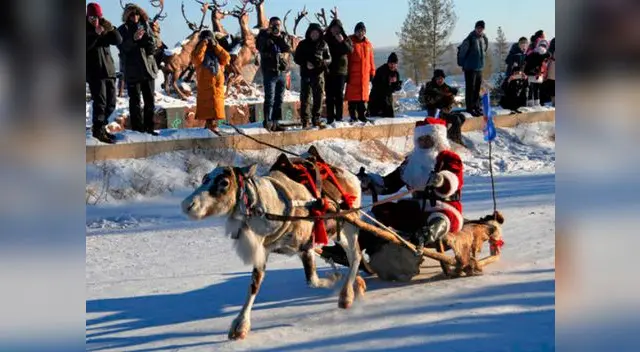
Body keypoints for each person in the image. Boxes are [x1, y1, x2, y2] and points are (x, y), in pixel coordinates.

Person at [118, 3, 159, 135]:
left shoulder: (146, 26)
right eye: (132, 14)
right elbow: (123, 48)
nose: (135, 16)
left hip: (148, 69)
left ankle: (149, 127)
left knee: (149, 100)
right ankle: (137, 129)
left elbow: (153, 48)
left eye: (137, 13)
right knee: (134, 100)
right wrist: (134, 39)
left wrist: (149, 41)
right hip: (132, 70)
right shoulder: (122, 30)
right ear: (127, 15)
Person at [86, 2, 122, 144]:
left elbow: (118, 40)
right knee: (100, 102)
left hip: (109, 71)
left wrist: (110, 28)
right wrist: (95, 34)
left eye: (97, 17)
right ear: (88, 16)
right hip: (95, 72)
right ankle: (98, 131)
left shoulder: (103, 26)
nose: (95, 19)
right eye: (92, 17)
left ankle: (100, 126)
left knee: (111, 104)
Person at [191, 30, 231, 133]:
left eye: (210, 39)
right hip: (205, 85)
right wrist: (203, 44)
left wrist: (216, 45)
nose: (209, 41)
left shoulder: (217, 52)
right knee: (207, 110)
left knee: (216, 109)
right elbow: (197, 59)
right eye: (206, 39)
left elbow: (226, 58)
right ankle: (209, 127)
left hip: (217, 87)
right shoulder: (197, 51)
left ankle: (213, 127)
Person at [294, 23, 332, 129]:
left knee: (318, 98)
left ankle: (316, 119)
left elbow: (329, 59)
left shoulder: (323, 44)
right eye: (313, 32)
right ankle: (305, 121)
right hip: (306, 74)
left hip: (318, 75)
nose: (315, 34)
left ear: (320, 33)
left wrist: (321, 62)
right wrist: (305, 63)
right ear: (309, 33)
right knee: (305, 98)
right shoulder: (302, 44)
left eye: (317, 32)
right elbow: (296, 58)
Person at [256, 17, 291, 131]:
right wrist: (267, 35)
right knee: (269, 98)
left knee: (279, 99)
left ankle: (276, 122)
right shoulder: (263, 35)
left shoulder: (283, 35)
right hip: (269, 71)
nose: (276, 27)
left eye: (278, 25)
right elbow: (260, 47)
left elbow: (287, 48)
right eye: (274, 24)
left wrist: (279, 37)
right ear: (269, 24)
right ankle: (267, 121)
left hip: (281, 71)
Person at [419, 70, 465, 145]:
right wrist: (440, 96)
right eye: (438, 79)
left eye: (441, 78)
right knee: (456, 119)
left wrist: (450, 97)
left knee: (462, 117)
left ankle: (451, 134)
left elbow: (449, 104)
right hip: (435, 113)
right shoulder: (430, 87)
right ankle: (457, 140)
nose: (440, 80)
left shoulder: (446, 87)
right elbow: (428, 102)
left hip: (444, 111)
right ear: (435, 79)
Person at [323, 19, 353, 124]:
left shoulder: (345, 38)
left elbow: (350, 50)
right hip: (328, 71)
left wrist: (342, 41)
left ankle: (339, 118)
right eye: (334, 27)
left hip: (341, 71)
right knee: (329, 95)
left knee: (339, 95)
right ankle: (330, 118)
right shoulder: (325, 38)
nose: (335, 29)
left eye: (338, 28)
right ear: (330, 28)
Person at [457, 20, 489, 117]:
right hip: (470, 68)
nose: (480, 29)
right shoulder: (469, 39)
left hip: (479, 68)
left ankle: (476, 106)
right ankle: (470, 108)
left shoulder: (484, 39)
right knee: (470, 88)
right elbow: (462, 53)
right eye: (478, 28)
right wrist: (463, 65)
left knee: (477, 88)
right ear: (475, 28)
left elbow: (484, 50)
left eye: (481, 28)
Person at [345, 22, 375, 122]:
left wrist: (372, 72)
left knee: (363, 98)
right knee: (353, 98)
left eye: (362, 31)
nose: (360, 33)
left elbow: (371, 60)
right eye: (358, 31)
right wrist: (346, 73)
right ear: (355, 31)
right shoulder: (350, 42)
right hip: (353, 75)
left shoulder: (368, 44)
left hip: (365, 76)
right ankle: (353, 116)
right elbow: (347, 59)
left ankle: (362, 115)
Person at [368, 52, 403, 118]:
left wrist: (397, 85)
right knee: (376, 116)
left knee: (390, 116)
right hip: (377, 97)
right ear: (388, 63)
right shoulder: (381, 70)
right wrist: (387, 83)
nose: (392, 66)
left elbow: (395, 88)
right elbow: (375, 84)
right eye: (391, 64)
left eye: (394, 64)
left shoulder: (396, 73)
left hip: (388, 97)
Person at [523, 38, 550, 107]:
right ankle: (537, 102)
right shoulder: (546, 54)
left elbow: (526, 59)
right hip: (538, 73)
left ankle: (530, 102)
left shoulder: (532, 52)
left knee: (530, 88)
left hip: (529, 72)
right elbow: (548, 58)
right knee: (537, 89)